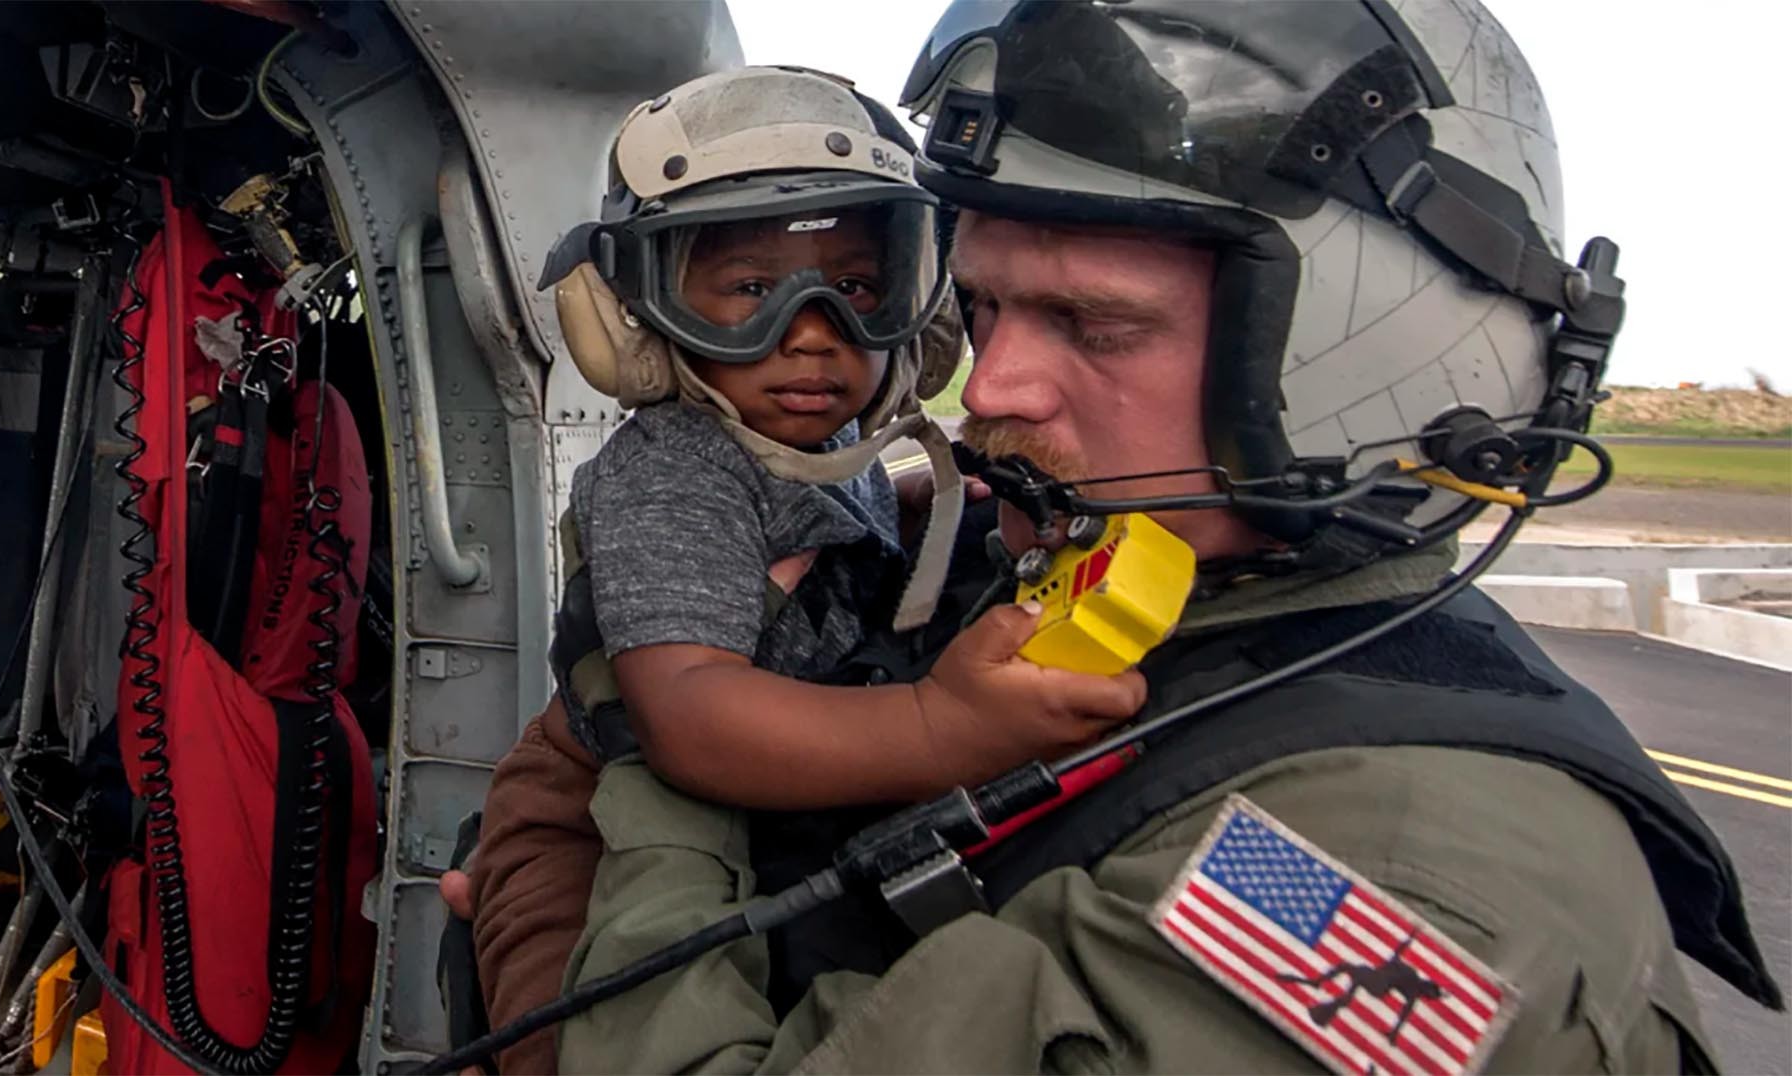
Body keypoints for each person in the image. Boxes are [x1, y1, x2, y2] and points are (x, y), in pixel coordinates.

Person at [439, 2, 1784, 1073]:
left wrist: (603, 805)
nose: (997, 390)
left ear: (1345, 359)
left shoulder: (1406, 885)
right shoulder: (1154, 595)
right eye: (988, 311)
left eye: (1094, 325)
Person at [463, 66, 1145, 1074]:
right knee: (569, 1046)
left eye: (858, 288)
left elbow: (829, 526)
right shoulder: (676, 470)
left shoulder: (829, 447)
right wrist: (945, 729)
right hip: (583, 821)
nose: (816, 332)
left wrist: (930, 505)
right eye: (750, 290)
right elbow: (690, 718)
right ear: (641, 316)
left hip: (735, 816)